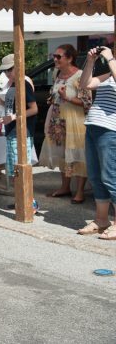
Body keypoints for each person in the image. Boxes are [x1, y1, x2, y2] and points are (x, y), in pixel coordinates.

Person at [39, 44, 91, 204]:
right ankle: (65, 187)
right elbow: (53, 97)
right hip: (58, 120)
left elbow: (87, 102)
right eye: (54, 56)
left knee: (77, 155)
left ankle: (80, 191)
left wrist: (67, 98)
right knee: (62, 155)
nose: (55, 59)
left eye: (58, 56)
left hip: (75, 122)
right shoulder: (57, 73)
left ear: (69, 58)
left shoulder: (81, 76)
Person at [78, 46, 116, 239]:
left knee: (111, 176)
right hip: (93, 127)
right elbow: (85, 84)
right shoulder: (109, 74)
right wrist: (91, 62)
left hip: (111, 131)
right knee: (95, 176)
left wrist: (109, 58)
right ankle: (102, 220)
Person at [0, 54, 39, 210]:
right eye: (5, 71)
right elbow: (16, 105)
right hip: (12, 130)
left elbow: (33, 109)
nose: (7, 73)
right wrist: (2, 102)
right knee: (13, 170)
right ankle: (21, 200)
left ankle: (30, 203)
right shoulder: (12, 84)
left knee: (20, 168)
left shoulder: (24, 84)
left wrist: (12, 117)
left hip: (21, 132)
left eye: (9, 70)